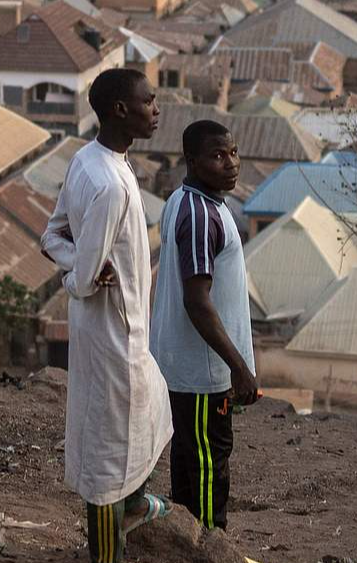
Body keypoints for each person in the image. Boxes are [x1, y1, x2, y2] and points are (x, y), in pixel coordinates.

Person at [42, 68, 173, 561]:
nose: (155, 109)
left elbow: (51, 238)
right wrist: (83, 274)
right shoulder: (111, 186)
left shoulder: (91, 160)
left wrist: (81, 264)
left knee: (150, 416)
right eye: (149, 101)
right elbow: (80, 277)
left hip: (119, 329)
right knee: (105, 452)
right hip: (113, 332)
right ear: (121, 109)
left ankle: (135, 504)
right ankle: (106, 551)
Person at [150, 120, 258, 531]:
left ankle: (187, 541)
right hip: (201, 372)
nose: (230, 164)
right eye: (217, 156)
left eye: (232, 153)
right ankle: (210, 546)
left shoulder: (193, 200)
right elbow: (197, 302)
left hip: (191, 367)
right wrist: (238, 367)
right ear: (191, 160)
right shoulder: (198, 215)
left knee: (191, 457)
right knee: (209, 462)